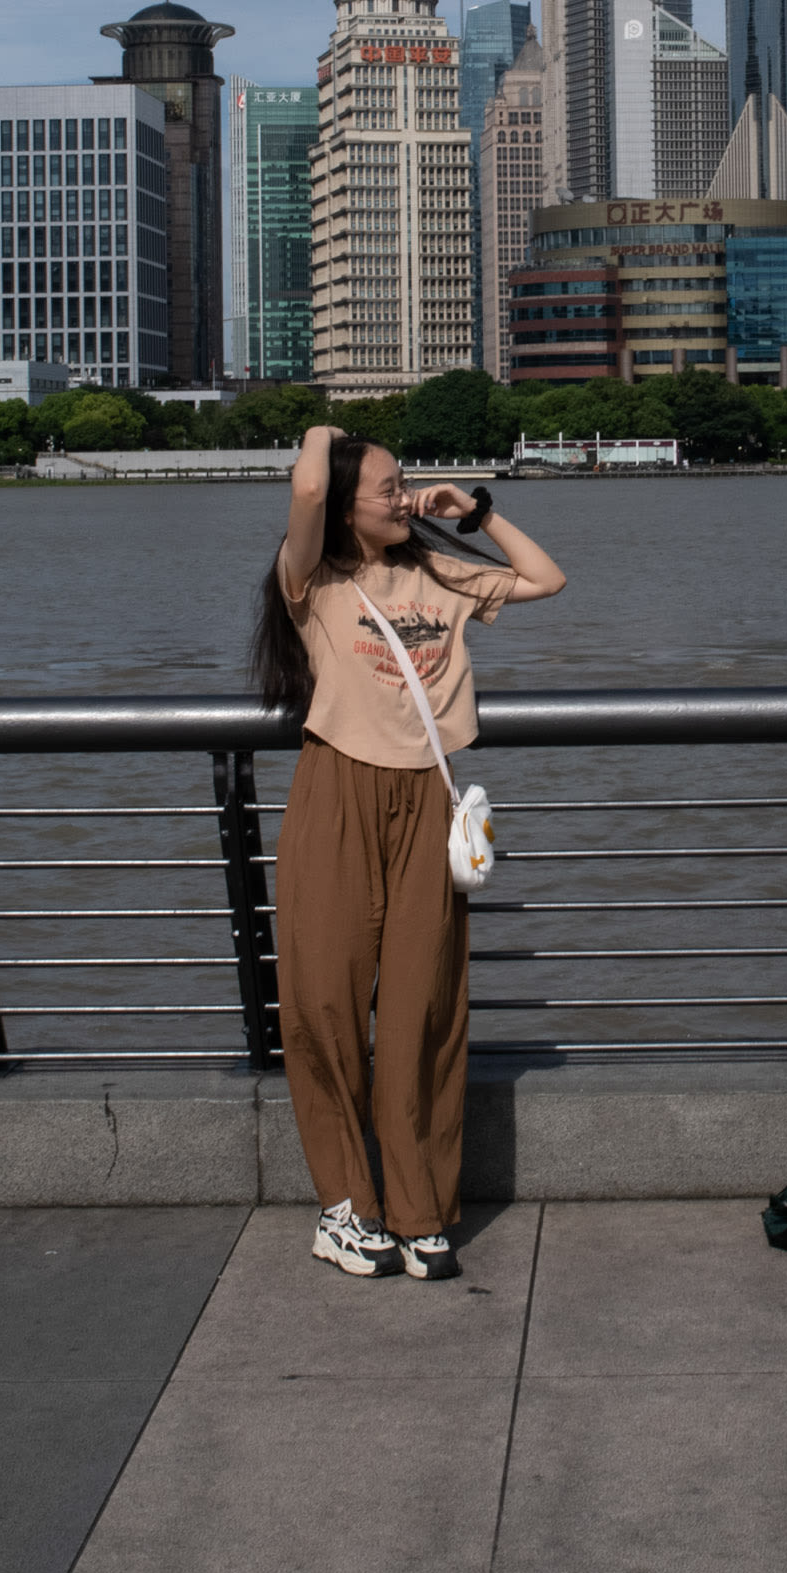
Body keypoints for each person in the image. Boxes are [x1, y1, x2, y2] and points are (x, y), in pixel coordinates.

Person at [253, 425, 566, 1279]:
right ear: (351, 501)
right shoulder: (312, 578)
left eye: (405, 486)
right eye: (388, 488)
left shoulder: (437, 571)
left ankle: (420, 1208)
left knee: (425, 1009)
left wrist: (478, 511)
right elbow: (311, 492)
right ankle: (346, 1209)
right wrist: (322, 431)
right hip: (338, 794)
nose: (405, 497)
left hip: (427, 795)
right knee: (324, 1002)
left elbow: (547, 579)